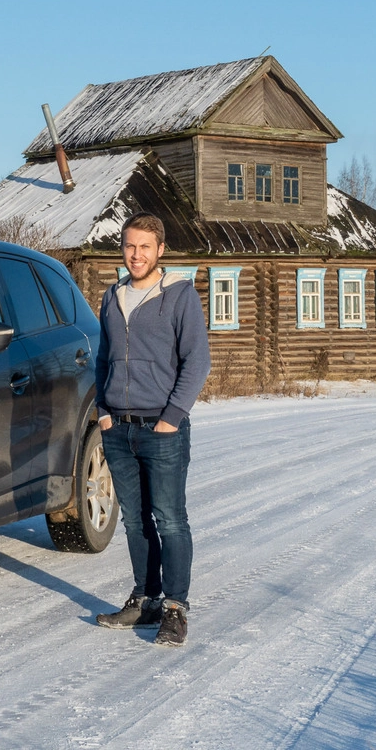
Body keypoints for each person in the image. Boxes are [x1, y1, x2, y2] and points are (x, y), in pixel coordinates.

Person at [94, 212, 210, 646]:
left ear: (160, 250)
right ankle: (145, 600)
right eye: (129, 246)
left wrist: (171, 417)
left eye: (145, 246)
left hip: (161, 428)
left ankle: (175, 609)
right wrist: (102, 409)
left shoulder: (179, 295)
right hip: (117, 428)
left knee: (170, 520)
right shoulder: (112, 296)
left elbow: (197, 361)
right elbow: (102, 359)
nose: (136, 254)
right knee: (135, 522)